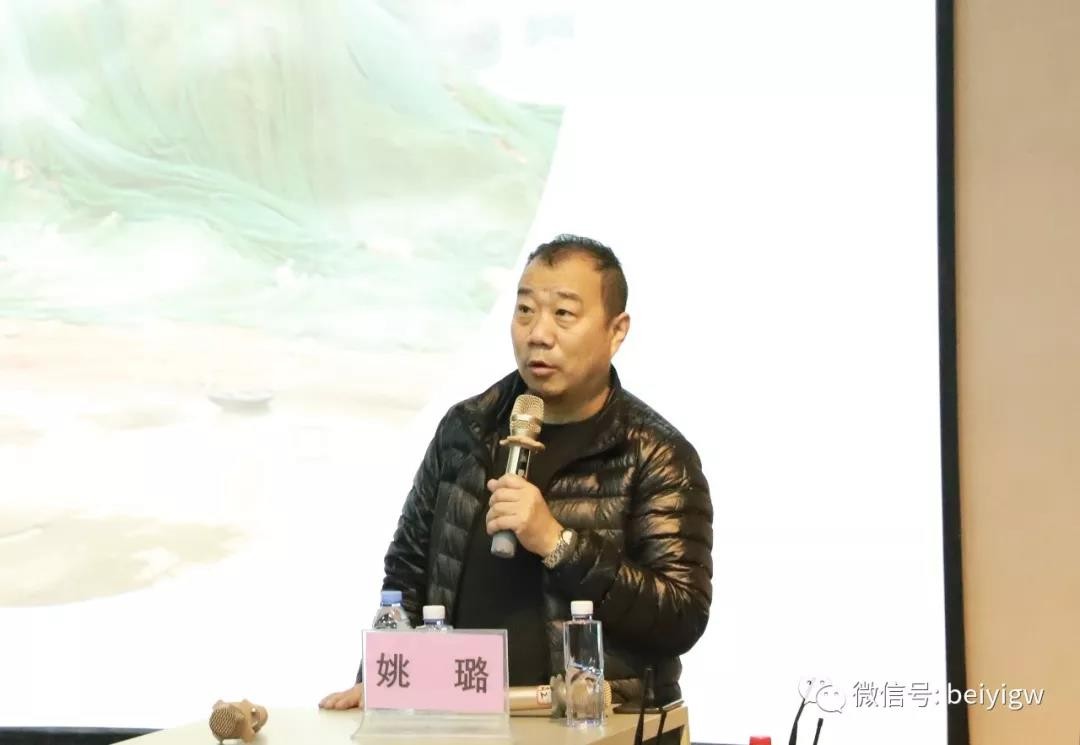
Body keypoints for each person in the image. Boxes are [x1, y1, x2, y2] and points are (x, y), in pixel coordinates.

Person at [320, 235, 713, 709]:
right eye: (525, 311)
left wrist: (558, 543)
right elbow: (407, 575)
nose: (538, 334)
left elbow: (681, 616)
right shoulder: (467, 430)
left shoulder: (655, 453)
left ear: (616, 331)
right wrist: (381, 679)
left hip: (595, 726)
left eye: (563, 314)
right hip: (462, 721)